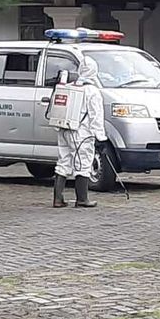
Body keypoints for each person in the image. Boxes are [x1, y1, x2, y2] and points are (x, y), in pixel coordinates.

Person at [53, 57, 107, 208]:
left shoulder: (69, 87)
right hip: (82, 133)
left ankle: (58, 199)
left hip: (63, 129)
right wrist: (100, 138)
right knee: (83, 163)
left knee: (63, 162)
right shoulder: (92, 92)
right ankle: (82, 199)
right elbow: (96, 117)